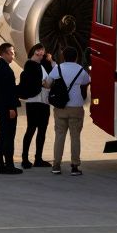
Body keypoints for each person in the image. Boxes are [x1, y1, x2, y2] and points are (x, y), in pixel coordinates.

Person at [44, 45, 90, 176]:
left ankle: (56, 165)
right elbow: (87, 81)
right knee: (75, 137)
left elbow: (48, 83)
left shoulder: (58, 68)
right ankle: (75, 166)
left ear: (63, 56)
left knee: (59, 137)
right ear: (76, 57)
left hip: (60, 107)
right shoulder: (80, 70)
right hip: (76, 107)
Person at [0, 42, 22, 174]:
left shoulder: (0, 67)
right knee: (8, 136)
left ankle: (0, 165)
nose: (14, 55)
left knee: (2, 136)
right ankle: (8, 165)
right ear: (4, 53)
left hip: (1, 106)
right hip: (6, 107)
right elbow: (5, 92)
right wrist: (11, 108)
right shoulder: (3, 69)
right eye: (12, 52)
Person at [19, 43, 52, 168]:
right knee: (31, 129)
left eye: (42, 53)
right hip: (34, 101)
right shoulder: (30, 65)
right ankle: (25, 158)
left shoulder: (41, 65)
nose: (41, 55)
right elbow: (39, 81)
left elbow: (49, 75)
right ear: (35, 52)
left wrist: (49, 61)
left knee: (41, 131)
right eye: (39, 52)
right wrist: (43, 84)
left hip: (43, 102)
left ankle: (38, 158)